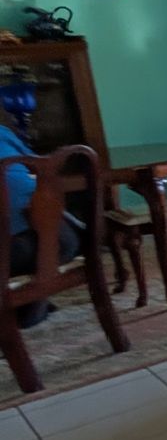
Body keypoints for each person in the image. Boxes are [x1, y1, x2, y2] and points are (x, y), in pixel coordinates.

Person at [1, 123, 77, 328]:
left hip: (17, 245)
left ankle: (29, 308)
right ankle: (32, 305)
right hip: (61, 235)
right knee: (51, 241)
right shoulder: (3, 132)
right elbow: (43, 166)